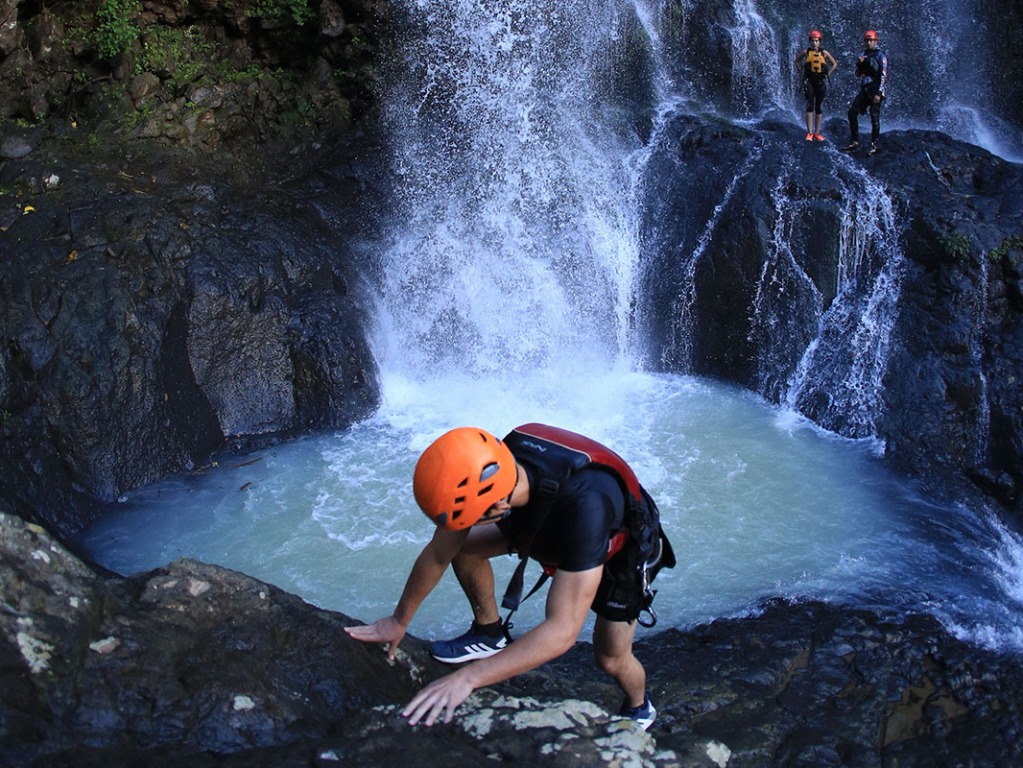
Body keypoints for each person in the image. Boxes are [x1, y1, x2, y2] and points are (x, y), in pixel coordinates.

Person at [345, 423, 674, 730]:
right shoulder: (496, 462)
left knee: (611, 657)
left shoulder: (587, 506)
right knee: (464, 549)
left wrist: (468, 679)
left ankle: (639, 706)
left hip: (619, 548)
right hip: (547, 515)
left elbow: (562, 631)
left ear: (499, 506)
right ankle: (489, 633)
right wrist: (399, 620)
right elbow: (438, 552)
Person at [841, 29, 888, 155]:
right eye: (866, 40)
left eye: (871, 40)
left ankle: (874, 144)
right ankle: (854, 141)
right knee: (852, 113)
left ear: (875, 41)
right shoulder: (862, 54)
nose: (868, 43)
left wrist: (879, 92)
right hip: (865, 88)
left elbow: (883, 74)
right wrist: (859, 65)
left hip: (875, 88)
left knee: (874, 117)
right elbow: (858, 74)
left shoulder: (880, 55)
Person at [794, 29, 838, 142]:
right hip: (810, 82)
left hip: (820, 82)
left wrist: (827, 74)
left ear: (820, 42)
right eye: (812, 41)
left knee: (818, 107)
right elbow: (796, 61)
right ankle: (809, 132)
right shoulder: (806, 52)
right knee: (810, 106)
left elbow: (834, 64)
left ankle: (817, 133)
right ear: (810, 42)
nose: (814, 43)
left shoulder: (824, 53)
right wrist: (801, 72)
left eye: (816, 41)